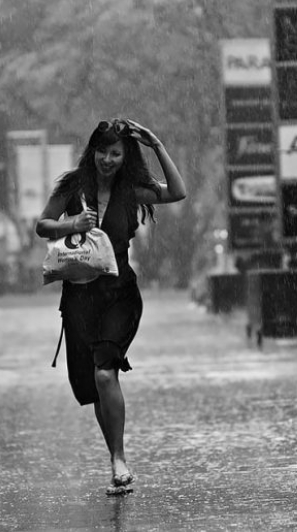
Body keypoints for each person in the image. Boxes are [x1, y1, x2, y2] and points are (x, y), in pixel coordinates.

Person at [35, 118, 186, 495]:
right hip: (79, 296)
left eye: (116, 153)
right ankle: (116, 457)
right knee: (94, 385)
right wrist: (71, 224)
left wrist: (156, 144)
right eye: (102, 151)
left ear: (125, 155)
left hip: (119, 294)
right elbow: (43, 225)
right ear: (93, 151)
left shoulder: (132, 189)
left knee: (106, 374)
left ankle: (119, 459)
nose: (108, 159)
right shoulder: (73, 186)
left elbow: (177, 192)